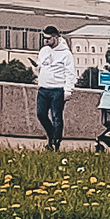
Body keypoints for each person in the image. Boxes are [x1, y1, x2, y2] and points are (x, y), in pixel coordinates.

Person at [33, 25, 77, 153]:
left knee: (56, 116)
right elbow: (40, 66)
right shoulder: (44, 51)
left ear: (56, 37)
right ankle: (51, 135)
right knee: (41, 114)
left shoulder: (66, 54)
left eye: (49, 39)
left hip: (57, 89)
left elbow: (70, 73)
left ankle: (55, 142)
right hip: (43, 88)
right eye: (44, 38)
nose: (46, 41)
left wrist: (68, 90)